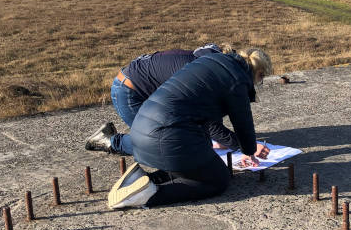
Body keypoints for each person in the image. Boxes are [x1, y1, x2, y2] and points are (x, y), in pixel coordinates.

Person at [108, 48, 273, 209]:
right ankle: (150, 195)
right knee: (218, 180)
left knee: (196, 166)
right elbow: (243, 121)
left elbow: (207, 116)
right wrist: (250, 150)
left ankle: (139, 179)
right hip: (168, 135)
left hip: (142, 127)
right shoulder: (238, 80)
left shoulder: (211, 61)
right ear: (259, 74)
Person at [85, 43, 254, 155]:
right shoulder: (203, 75)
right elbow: (208, 122)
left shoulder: (207, 62)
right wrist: (241, 145)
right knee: (158, 144)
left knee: (185, 136)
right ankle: (109, 140)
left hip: (142, 89)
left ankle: (114, 136)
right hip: (130, 92)